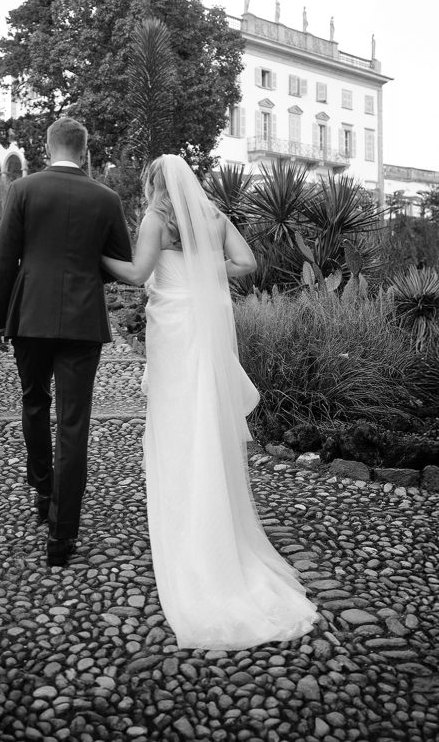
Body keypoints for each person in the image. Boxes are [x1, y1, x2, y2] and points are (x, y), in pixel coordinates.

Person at [101, 155, 318, 649]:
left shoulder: (159, 219)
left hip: (175, 329)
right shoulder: (215, 217)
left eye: (149, 185)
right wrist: (203, 266)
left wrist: (96, 256)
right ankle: (215, 513)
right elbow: (247, 264)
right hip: (205, 320)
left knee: (178, 420)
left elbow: (136, 274)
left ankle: (188, 526)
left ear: (157, 185)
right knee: (206, 418)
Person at [0, 117, 132, 567]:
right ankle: (61, 535)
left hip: (29, 315)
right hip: (82, 321)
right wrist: (86, 268)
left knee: (33, 401)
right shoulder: (107, 199)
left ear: (48, 148)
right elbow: (120, 263)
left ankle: (42, 487)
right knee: (73, 423)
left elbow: (5, 257)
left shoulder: (24, 190)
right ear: (86, 152)